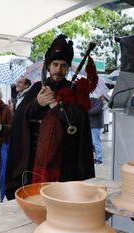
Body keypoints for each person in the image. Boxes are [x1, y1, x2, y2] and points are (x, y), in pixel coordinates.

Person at [27, 34, 95, 183]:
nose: (59, 69)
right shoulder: (38, 88)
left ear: (68, 68)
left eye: (63, 66)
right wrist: (37, 103)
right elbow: (24, 117)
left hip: (66, 160)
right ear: (49, 66)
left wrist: (56, 106)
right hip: (38, 157)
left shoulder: (76, 90)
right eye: (55, 64)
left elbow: (77, 123)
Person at [5, 76, 40, 200]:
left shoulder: (31, 94)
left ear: (27, 85)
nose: (17, 84)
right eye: (17, 81)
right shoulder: (18, 97)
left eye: (20, 82)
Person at [89, 93, 104, 165]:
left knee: (96, 142)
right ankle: (95, 158)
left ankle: (99, 159)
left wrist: (86, 109)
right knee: (92, 143)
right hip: (90, 124)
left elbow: (95, 110)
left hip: (95, 125)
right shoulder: (90, 100)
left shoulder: (98, 101)